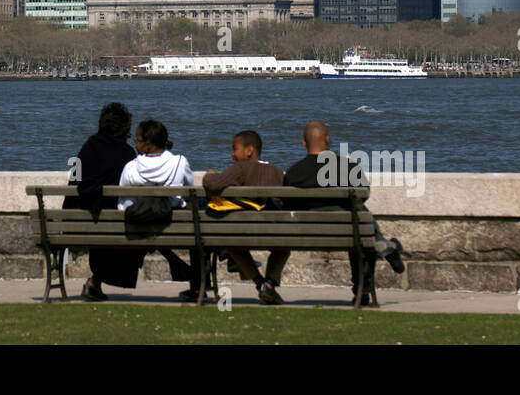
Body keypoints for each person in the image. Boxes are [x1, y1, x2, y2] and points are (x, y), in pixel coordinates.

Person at [284, 120, 405, 302]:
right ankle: (364, 285)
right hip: (348, 232)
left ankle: (383, 248)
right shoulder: (347, 167)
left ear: (304, 142)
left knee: (359, 222)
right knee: (361, 224)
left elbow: (287, 204)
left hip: (306, 234)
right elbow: (363, 196)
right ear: (328, 140)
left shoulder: (293, 173)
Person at [118, 120, 202, 302]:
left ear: (148, 144)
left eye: (138, 140)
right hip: (175, 228)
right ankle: (197, 288)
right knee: (198, 230)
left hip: (138, 228)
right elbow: (190, 191)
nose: (136, 143)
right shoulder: (179, 162)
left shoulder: (130, 167)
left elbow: (123, 205)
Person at [202, 130, 287, 304]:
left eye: (235, 149)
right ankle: (269, 283)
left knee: (233, 246)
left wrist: (210, 174)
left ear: (249, 151)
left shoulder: (240, 168)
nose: (232, 154)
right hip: (273, 233)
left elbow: (212, 184)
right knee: (284, 247)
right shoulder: (277, 171)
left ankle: (259, 282)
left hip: (242, 233)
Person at [64, 102, 139, 300]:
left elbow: (75, 181)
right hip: (110, 223)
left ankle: (95, 281)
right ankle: (96, 281)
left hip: (78, 221)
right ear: (124, 128)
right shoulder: (127, 154)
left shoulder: (88, 147)